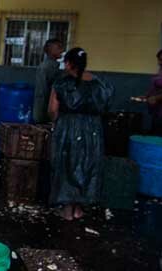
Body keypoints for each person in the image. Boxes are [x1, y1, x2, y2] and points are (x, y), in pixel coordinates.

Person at [48, 47, 114, 221]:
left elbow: (52, 110)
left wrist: (56, 121)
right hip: (93, 130)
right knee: (87, 165)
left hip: (69, 127)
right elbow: (106, 105)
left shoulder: (62, 83)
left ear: (68, 63)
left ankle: (68, 210)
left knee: (67, 164)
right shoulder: (100, 83)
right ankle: (79, 209)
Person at [33, 38, 64, 124]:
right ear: (51, 50)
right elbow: (44, 91)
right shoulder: (47, 67)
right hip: (45, 109)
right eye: (59, 48)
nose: (62, 50)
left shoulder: (52, 65)